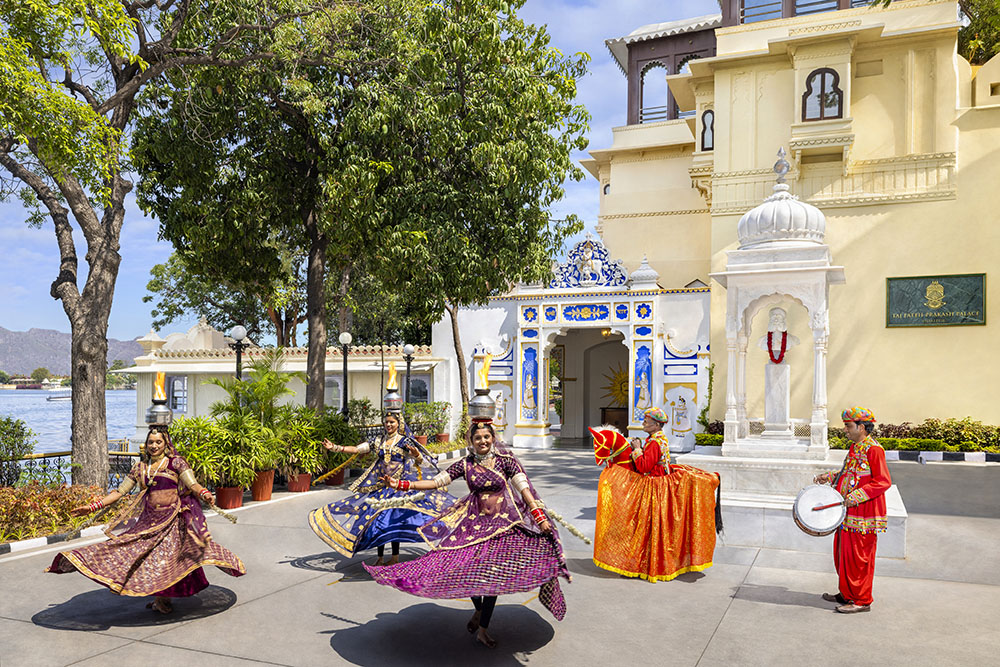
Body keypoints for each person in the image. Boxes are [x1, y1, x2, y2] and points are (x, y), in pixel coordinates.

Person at [364, 421, 569, 649]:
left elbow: (524, 489)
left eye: (486, 437)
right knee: (460, 567)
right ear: (471, 442)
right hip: (473, 526)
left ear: (493, 438)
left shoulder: (505, 462)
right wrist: (402, 484)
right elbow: (435, 482)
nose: (483, 441)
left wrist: (538, 514)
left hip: (502, 526)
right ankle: (480, 610)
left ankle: (483, 629)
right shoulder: (465, 464)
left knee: (493, 578)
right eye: (478, 438)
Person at [47, 426, 245, 614]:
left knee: (167, 561)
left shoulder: (176, 463)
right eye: (151, 442)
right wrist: (92, 507)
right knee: (135, 555)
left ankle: (163, 598)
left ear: (166, 444)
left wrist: (204, 493)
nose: (154, 445)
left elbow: (191, 484)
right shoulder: (139, 468)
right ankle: (159, 597)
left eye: (158, 442)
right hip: (148, 522)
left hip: (172, 520)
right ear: (146, 444)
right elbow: (119, 492)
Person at [593, 406, 720, 582]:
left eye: (646, 421)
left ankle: (647, 564)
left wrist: (637, 449)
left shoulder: (654, 442)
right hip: (658, 483)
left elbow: (644, 466)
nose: (643, 423)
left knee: (645, 527)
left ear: (656, 425)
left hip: (654, 487)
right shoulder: (657, 438)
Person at [308, 411, 453, 565]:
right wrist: (335, 447)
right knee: (376, 523)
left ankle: (395, 557)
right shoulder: (378, 441)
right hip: (381, 488)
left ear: (399, 424)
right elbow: (357, 449)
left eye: (392, 422)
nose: (389, 425)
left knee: (392, 523)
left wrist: (416, 455)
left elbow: (420, 460)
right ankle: (380, 557)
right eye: (387, 422)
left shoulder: (404, 441)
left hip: (398, 489)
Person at [812, 406, 892, 613]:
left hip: (863, 514)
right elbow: (849, 473)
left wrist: (856, 496)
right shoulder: (855, 447)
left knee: (859, 557)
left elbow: (882, 482)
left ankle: (861, 600)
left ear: (862, 427)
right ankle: (847, 593)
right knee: (844, 554)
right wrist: (829, 477)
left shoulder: (874, 450)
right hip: (847, 513)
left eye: (848, 426)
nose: (845, 430)